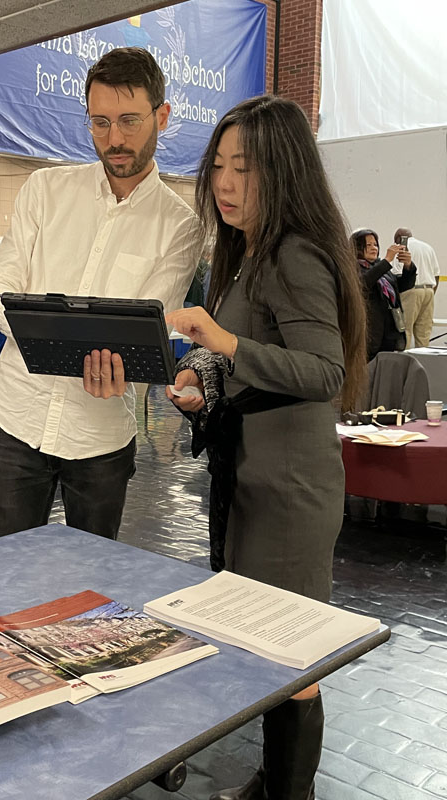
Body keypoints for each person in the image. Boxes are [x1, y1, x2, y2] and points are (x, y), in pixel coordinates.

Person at [165, 95, 366, 800]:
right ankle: (272, 782)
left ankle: (289, 793)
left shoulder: (296, 253)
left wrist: (218, 342)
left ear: (280, 170)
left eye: (242, 168)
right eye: (217, 165)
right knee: (267, 649)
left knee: (294, 657)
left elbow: (324, 373)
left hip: (289, 490)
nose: (224, 182)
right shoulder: (247, 253)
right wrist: (200, 378)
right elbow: (248, 360)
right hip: (250, 479)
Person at [0, 46, 199, 541]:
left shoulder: (180, 226)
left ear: (161, 116)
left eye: (128, 121)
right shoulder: (44, 190)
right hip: (18, 419)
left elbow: (151, 322)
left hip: (101, 432)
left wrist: (56, 334)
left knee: (91, 589)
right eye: (99, 122)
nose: (114, 139)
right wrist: (58, 337)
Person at [351, 228, 415, 360]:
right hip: (368, 334)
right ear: (356, 247)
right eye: (368, 245)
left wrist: (409, 267)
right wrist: (387, 261)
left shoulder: (380, 267)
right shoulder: (352, 268)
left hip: (389, 333)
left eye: (375, 244)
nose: (374, 248)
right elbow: (363, 284)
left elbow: (401, 286)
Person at [392, 227, 440, 348]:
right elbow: (436, 275)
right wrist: (431, 293)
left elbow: (396, 274)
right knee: (424, 334)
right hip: (429, 291)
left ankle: (405, 364)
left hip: (411, 291)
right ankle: (423, 364)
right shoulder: (428, 247)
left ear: (398, 238)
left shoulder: (401, 248)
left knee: (405, 331)